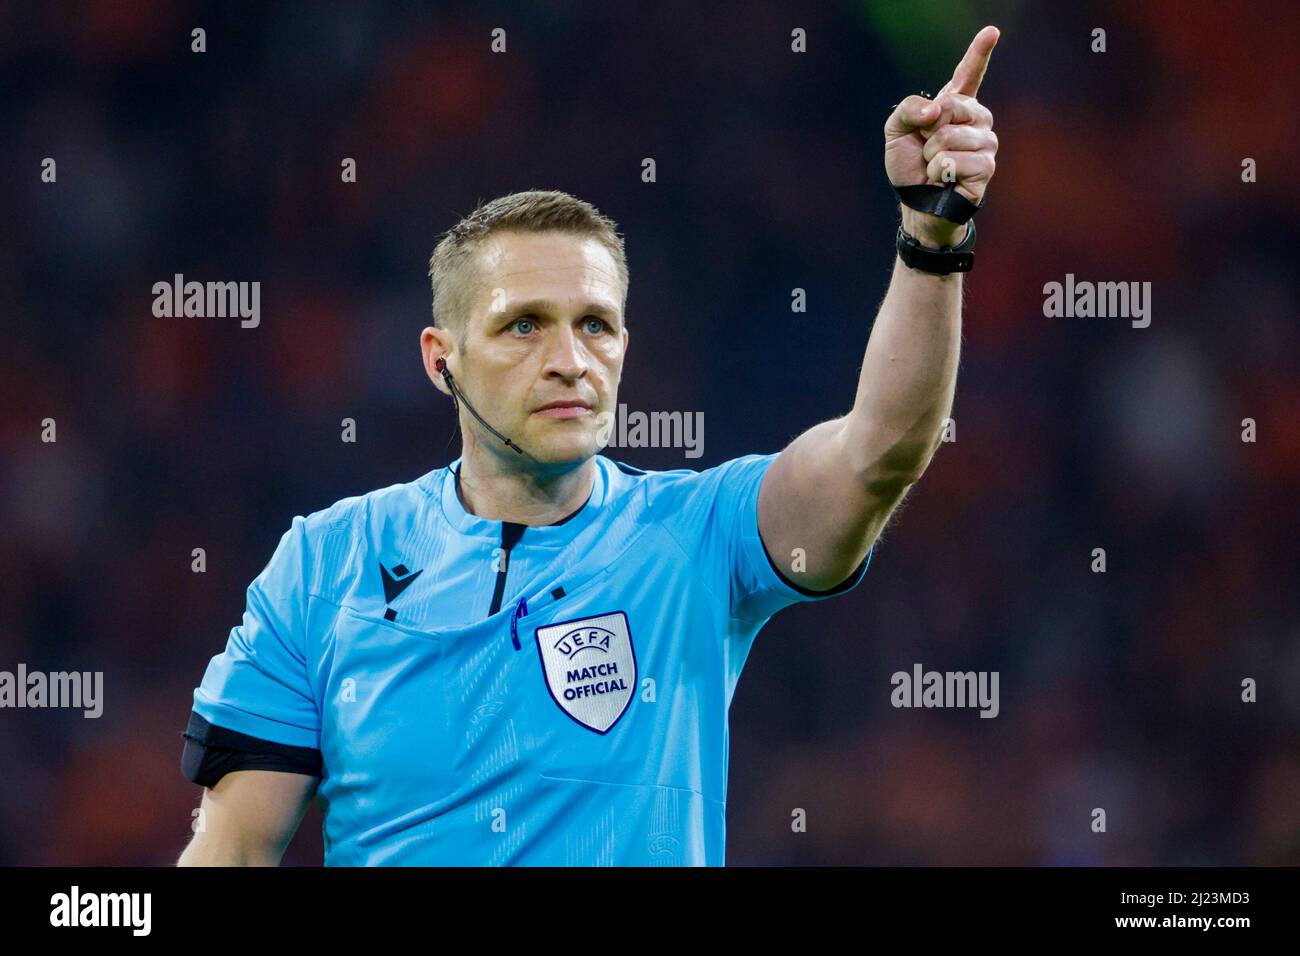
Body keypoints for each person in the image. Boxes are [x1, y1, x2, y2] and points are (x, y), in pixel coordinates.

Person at [177, 26, 1001, 866]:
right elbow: (234, 853)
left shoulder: (699, 536)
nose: (569, 360)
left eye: (595, 326)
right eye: (523, 325)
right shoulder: (324, 566)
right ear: (440, 361)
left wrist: (932, 242)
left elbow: (881, 452)